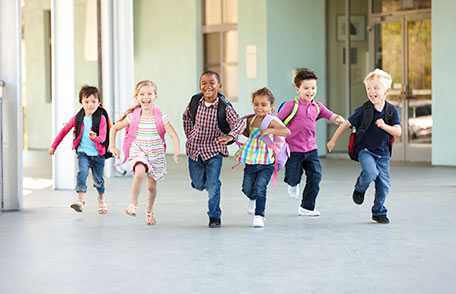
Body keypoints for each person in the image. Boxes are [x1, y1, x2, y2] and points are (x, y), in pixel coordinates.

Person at [327, 68, 401, 224]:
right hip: (365, 151)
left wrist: (384, 126)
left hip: (383, 154)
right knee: (371, 172)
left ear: (386, 91)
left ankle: (378, 212)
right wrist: (333, 140)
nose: (371, 91)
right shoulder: (363, 110)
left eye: (376, 88)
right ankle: (360, 188)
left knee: (384, 185)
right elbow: (346, 124)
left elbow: (398, 131)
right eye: (368, 88)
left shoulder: (391, 111)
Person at [110, 80, 180, 225]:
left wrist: (176, 151)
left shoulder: (161, 117)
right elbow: (114, 128)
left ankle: (149, 211)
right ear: (137, 97)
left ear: (155, 96)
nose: (146, 97)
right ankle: (133, 205)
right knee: (139, 172)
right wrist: (112, 146)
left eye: (149, 93)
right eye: (142, 94)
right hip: (139, 151)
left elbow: (173, 134)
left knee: (151, 187)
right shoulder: (133, 117)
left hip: (155, 154)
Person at [277, 68, 345, 216]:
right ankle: (292, 183)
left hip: (311, 149)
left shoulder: (317, 106)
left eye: (313, 88)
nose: (310, 91)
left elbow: (330, 115)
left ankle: (307, 207)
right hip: (293, 149)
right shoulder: (291, 105)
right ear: (298, 89)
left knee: (316, 176)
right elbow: (277, 121)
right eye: (306, 88)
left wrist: (338, 119)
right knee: (294, 176)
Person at [182, 70, 245, 228]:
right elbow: (186, 117)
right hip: (194, 149)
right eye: (204, 83)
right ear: (200, 85)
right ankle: (204, 184)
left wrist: (231, 136)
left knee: (213, 184)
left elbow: (240, 123)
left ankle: (214, 216)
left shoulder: (224, 107)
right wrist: (190, 135)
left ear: (219, 86)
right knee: (197, 184)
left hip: (214, 150)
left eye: (212, 83)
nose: (208, 86)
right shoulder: (195, 101)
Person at [49, 85, 110, 214]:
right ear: (81, 102)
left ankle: (101, 200)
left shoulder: (102, 118)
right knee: (82, 173)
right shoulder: (78, 118)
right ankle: (81, 201)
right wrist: (54, 146)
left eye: (94, 101)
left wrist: (95, 138)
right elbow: (64, 131)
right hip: (83, 153)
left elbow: (103, 137)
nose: (90, 105)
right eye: (86, 101)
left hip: (98, 154)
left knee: (98, 180)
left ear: (99, 102)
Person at [238, 87, 290, 227]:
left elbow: (287, 132)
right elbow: (249, 135)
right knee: (247, 188)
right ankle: (252, 198)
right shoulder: (251, 120)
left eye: (263, 105)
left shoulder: (271, 120)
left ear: (271, 107)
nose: (259, 108)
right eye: (256, 104)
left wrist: (270, 130)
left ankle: (259, 215)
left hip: (267, 162)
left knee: (260, 187)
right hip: (251, 161)